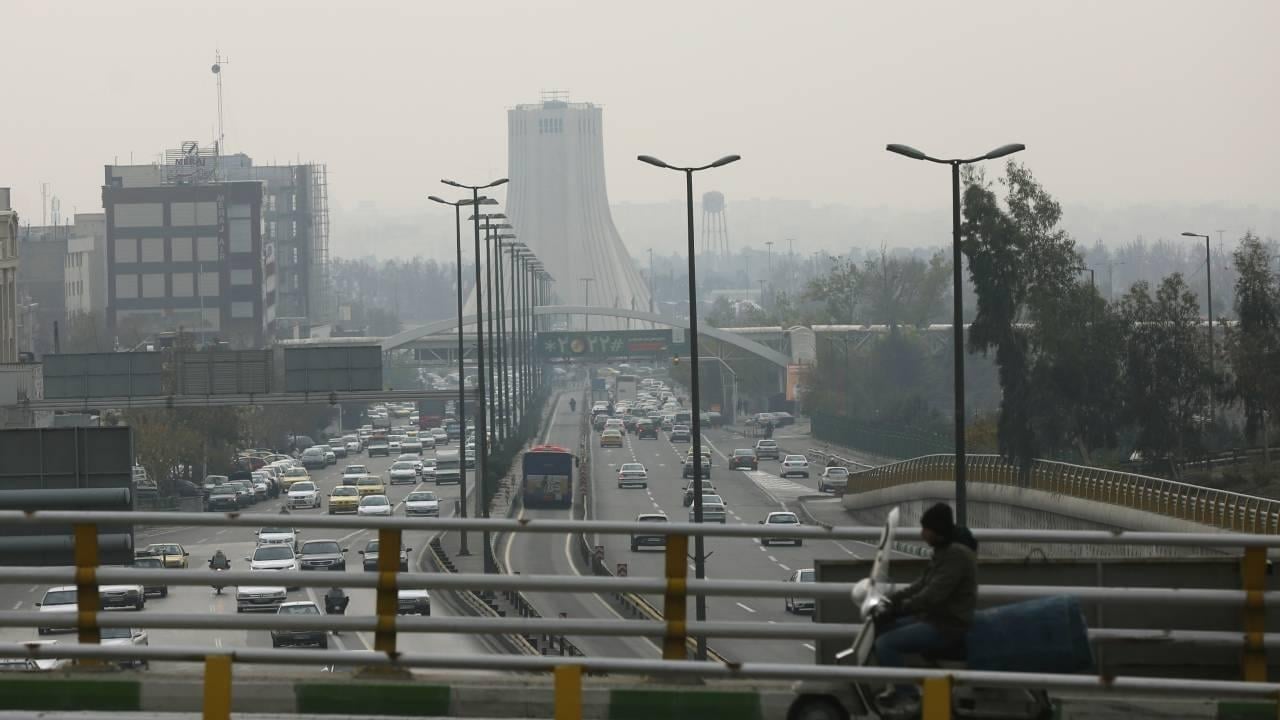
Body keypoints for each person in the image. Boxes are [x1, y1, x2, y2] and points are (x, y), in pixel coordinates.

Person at [872, 502, 977, 709]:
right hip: (934, 619)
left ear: (936, 530)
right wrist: (892, 599)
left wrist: (900, 608)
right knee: (883, 628)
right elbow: (920, 584)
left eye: (925, 529)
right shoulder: (943, 551)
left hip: (947, 625)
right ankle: (897, 686)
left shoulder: (955, 556)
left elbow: (931, 595)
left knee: (886, 644)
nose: (922, 534)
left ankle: (908, 696)